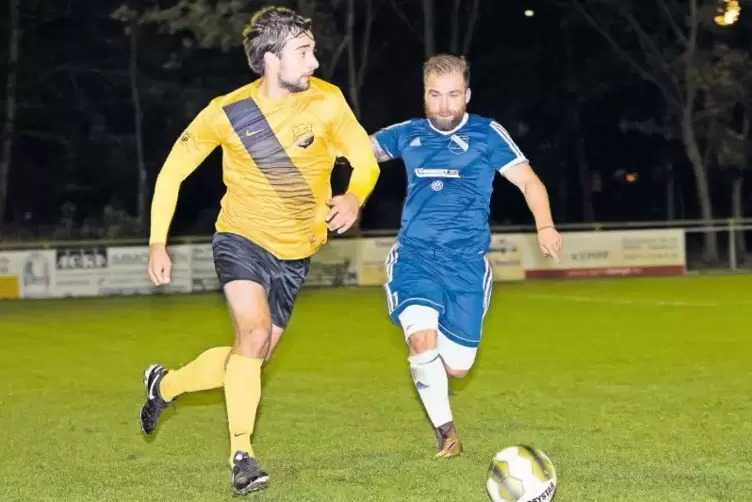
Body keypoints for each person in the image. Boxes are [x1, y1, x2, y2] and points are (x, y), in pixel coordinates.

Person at [139, 5, 380, 495]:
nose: (315, 62)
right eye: (304, 52)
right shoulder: (227, 112)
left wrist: (355, 194)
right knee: (251, 334)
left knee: (252, 355)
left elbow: (364, 160)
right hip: (240, 240)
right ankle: (242, 457)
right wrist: (157, 241)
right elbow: (171, 172)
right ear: (272, 58)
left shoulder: (328, 102)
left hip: (295, 254)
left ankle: (164, 386)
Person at [369, 54, 562, 458]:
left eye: (453, 95)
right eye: (435, 95)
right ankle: (447, 434)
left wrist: (544, 225)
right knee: (421, 339)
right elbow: (358, 153)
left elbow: (530, 183)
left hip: (466, 266)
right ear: (424, 94)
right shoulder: (407, 134)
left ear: (467, 95)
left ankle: (435, 371)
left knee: (457, 367)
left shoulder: (488, 134)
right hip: (415, 255)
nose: (443, 105)